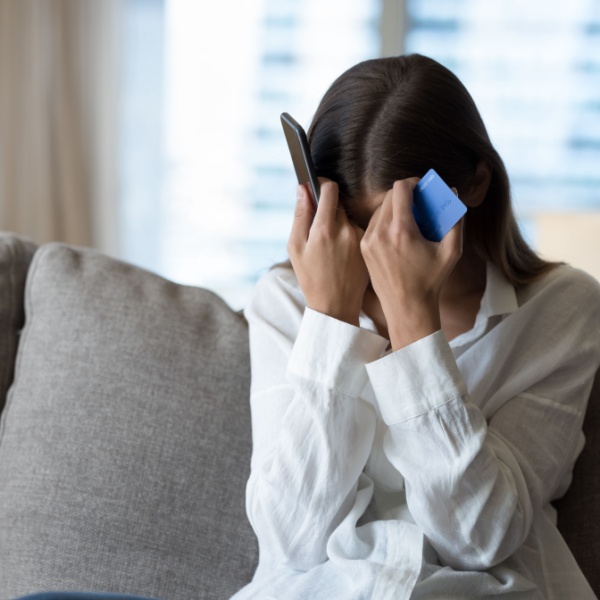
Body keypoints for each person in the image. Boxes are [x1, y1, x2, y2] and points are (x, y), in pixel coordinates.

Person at [231, 54, 600, 599]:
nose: (373, 252)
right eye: (354, 225)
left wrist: (413, 326)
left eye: (398, 226)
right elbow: (292, 537)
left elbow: (478, 539)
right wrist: (329, 321)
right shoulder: (285, 303)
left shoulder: (561, 309)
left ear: (472, 186)